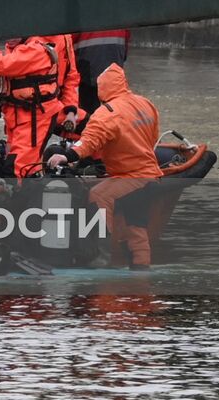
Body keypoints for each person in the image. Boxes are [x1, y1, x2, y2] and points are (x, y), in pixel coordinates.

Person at [47, 63, 161, 268]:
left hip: (131, 176)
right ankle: (141, 271)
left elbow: (88, 142)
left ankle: (98, 256)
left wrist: (66, 156)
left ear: (102, 88)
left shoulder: (106, 112)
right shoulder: (145, 103)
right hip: (151, 174)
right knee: (135, 224)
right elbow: (152, 138)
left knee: (99, 196)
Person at [0, 34, 80, 179]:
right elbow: (7, 65)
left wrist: (71, 110)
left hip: (45, 109)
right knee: (18, 164)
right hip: (25, 114)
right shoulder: (17, 45)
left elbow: (71, 77)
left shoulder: (42, 46)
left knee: (19, 166)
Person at [73, 28, 131, 114]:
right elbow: (126, 41)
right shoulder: (121, 17)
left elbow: (68, 43)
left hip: (88, 68)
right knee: (114, 110)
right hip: (114, 66)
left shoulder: (79, 16)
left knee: (89, 112)